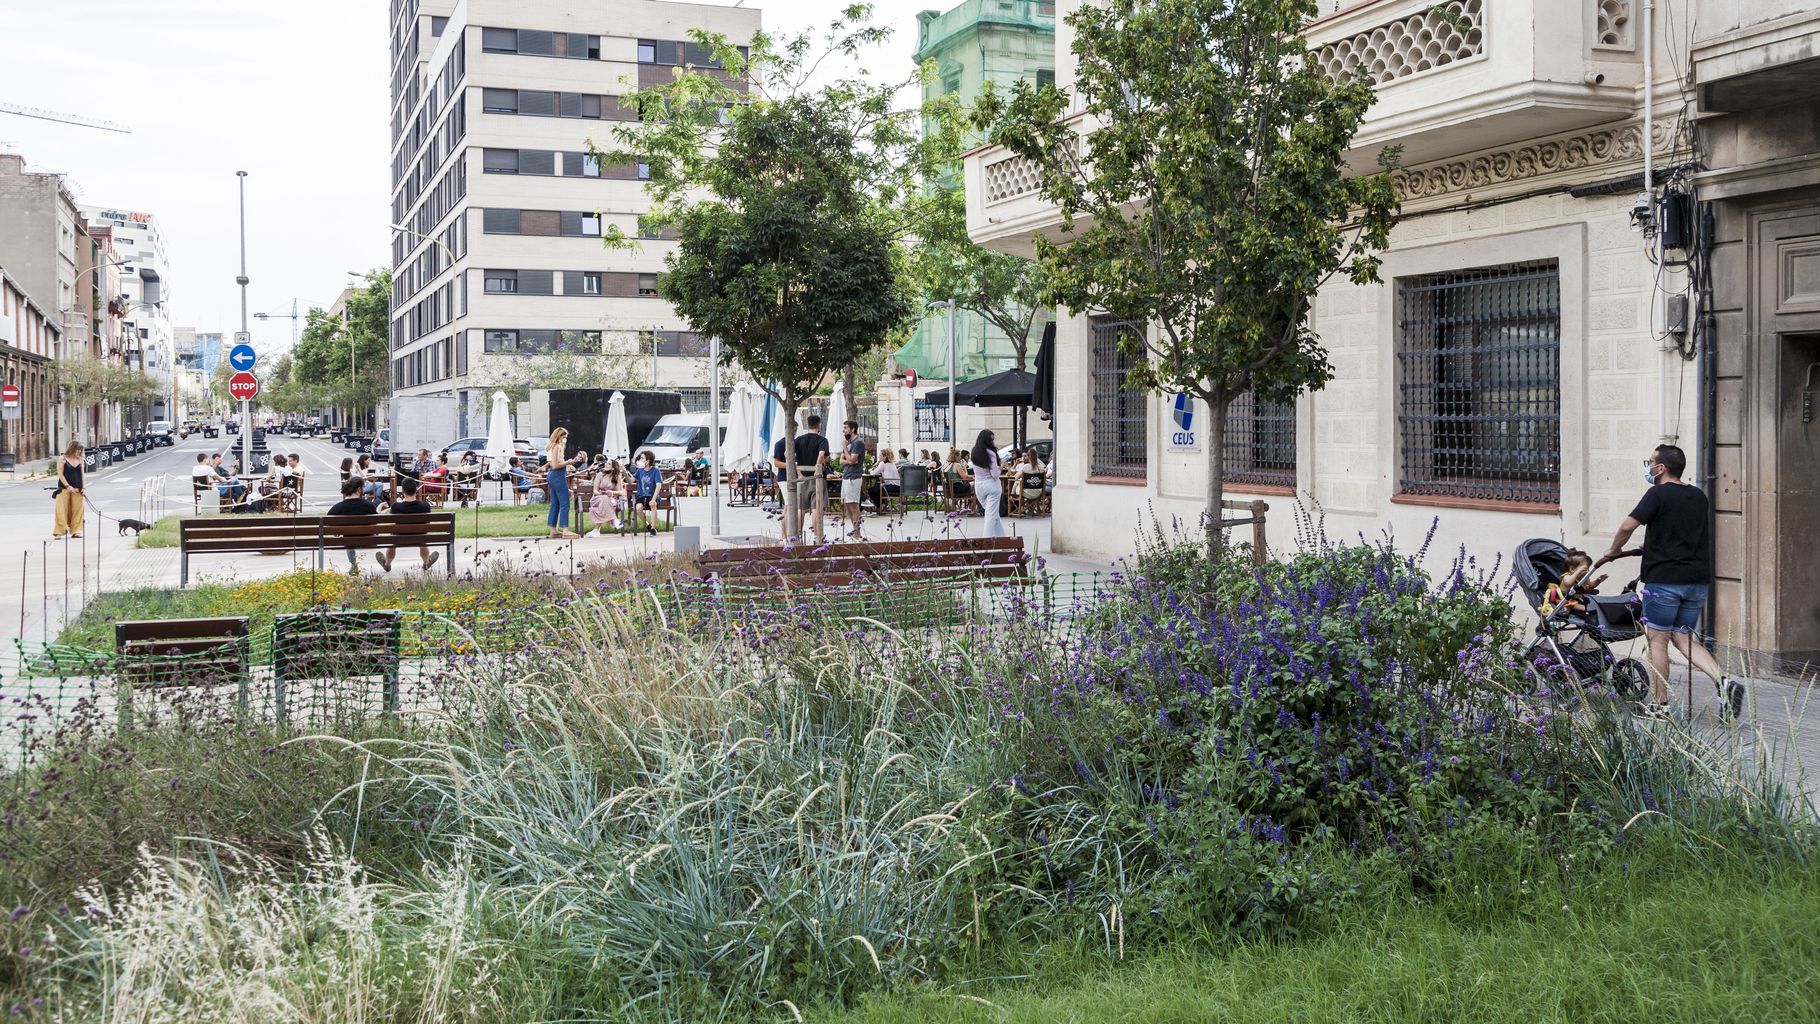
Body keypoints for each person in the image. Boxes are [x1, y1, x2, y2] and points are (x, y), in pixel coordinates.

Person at [1598, 443, 1742, 719]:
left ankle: (1659, 707)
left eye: (1650, 462)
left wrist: (1614, 550)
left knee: (1657, 641)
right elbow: (1679, 532)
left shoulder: (1657, 494)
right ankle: (1724, 683)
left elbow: (1628, 526)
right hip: (1696, 581)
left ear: (1661, 468)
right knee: (1683, 637)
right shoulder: (1698, 496)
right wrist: (1653, 543)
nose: (1648, 467)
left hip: (1664, 580)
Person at [773, 415, 830, 544]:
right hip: (816, 478)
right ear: (819, 425)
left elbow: (788, 455)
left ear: (807, 425)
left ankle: (797, 537)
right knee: (816, 509)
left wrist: (798, 471)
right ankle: (817, 537)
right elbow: (822, 454)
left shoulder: (798, 440)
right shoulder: (822, 440)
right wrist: (817, 468)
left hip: (801, 479)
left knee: (800, 509)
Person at [375, 478, 441, 573]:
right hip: (420, 536)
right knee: (423, 538)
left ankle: (387, 564)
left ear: (403, 491)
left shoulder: (395, 507)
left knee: (392, 538)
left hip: (399, 537)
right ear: (416, 489)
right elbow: (428, 524)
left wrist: (380, 506)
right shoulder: (425, 506)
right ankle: (426, 562)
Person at [325, 475, 379, 571]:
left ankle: (353, 564)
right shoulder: (368, 505)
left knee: (348, 537)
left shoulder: (338, 507)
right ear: (359, 489)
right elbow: (376, 522)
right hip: (368, 539)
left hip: (348, 540)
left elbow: (328, 522)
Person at [1542, 549, 1605, 616]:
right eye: (1584, 569)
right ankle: (1585, 609)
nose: (1587, 571)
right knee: (1577, 606)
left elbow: (1590, 585)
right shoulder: (1567, 576)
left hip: (1578, 598)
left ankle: (1588, 609)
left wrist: (1598, 581)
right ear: (1572, 569)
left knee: (1592, 603)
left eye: (1588, 569)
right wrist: (1578, 572)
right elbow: (1568, 583)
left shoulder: (1583, 579)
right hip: (1564, 599)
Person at [970, 429, 1005, 538]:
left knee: (993, 514)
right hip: (992, 485)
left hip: (978, 485)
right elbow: (995, 474)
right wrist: (1001, 467)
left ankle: (1002, 539)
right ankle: (986, 540)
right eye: (992, 439)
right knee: (991, 515)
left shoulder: (974, 452)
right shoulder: (990, 453)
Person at [544, 428, 578, 539]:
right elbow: (555, 465)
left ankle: (553, 530)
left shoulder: (551, 446)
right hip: (557, 475)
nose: (565, 439)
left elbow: (551, 463)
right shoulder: (557, 446)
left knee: (555, 503)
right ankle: (565, 530)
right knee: (565, 503)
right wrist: (568, 462)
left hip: (552, 475)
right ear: (559, 436)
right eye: (564, 437)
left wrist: (565, 463)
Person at [838, 420, 867, 540]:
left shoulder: (858, 443)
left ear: (853, 429)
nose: (843, 430)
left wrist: (845, 449)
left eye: (845, 428)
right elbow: (841, 461)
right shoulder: (849, 442)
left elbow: (852, 460)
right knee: (847, 504)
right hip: (846, 476)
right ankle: (855, 530)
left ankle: (857, 532)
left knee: (854, 505)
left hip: (854, 477)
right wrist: (848, 459)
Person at [52, 442, 85, 539]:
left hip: (78, 488)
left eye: (80, 450)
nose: (79, 451)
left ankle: (76, 531)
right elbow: (60, 473)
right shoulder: (63, 459)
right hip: (64, 488)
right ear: (72, 449)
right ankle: (59, 531)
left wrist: (83, 488)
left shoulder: (80, 459)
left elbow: (82, 475)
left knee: (78, 511)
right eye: (77, 449)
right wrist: (67, 485)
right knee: (61, 510)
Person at [630, 451, 664, 537]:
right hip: (641, 496)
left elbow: (659, 485)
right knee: (638, 508)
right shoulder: (639, 471)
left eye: (642, 458)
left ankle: (653, 528)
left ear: (648, 461)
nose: (640, 460)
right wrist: (623, 472)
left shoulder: (656, 471)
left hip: (652, 495)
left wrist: (653, 499)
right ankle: (648, 525)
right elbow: (630, 481)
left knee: (653, 505)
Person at [589, 459, 625, 534]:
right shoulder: (600, 475)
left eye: (609, 464)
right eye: (606, 463)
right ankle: (614, 520)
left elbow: (620, 492)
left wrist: (612, 492)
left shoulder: (617, 477)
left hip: (611, 499)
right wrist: (602, 494)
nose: (606, 464)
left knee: (605, 501)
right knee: (604, 499)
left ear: (613, 468)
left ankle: (596, 530)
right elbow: (595, 491)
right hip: (597, 498)